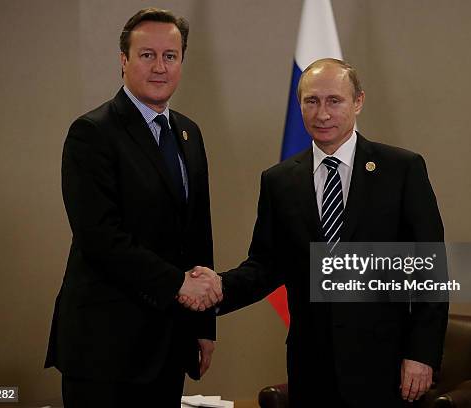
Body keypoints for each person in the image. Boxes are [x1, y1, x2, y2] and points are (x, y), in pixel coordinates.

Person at [182, 58, 448, 407]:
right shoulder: (279, 181)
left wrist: (421, 354)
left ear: (358, 102)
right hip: (312, 368)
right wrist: (217, 289)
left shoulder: (402, 170)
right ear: (300, 105)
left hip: (385, 366)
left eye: (334, 100)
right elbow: (265, 265)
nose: (322, 113)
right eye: (312, 101)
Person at [44, 7, 222, 407]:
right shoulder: (92, 133)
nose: (160, 67)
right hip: (105, 348)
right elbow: (101, 238)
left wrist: (203, 323)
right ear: (123, 60)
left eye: (170, 56)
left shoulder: (189, 133)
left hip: (169, 344)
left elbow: (197, 233)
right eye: (147, 55)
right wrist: (179, 285)